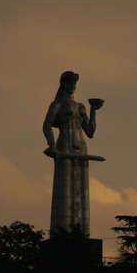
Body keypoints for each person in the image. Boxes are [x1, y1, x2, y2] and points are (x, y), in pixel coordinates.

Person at [42, 71, 100, 237]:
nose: (72, 86)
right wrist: (51, 145)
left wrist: (93, 110)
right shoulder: (57, 104)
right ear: (63, 84)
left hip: (81, 147)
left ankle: (82, 233)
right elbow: (46, 125)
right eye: (70, 83)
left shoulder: (80, 106)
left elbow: (90, 132)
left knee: (81, 188)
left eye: (74, 83)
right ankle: (61, 233)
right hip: (64, 145)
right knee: (65, 187)